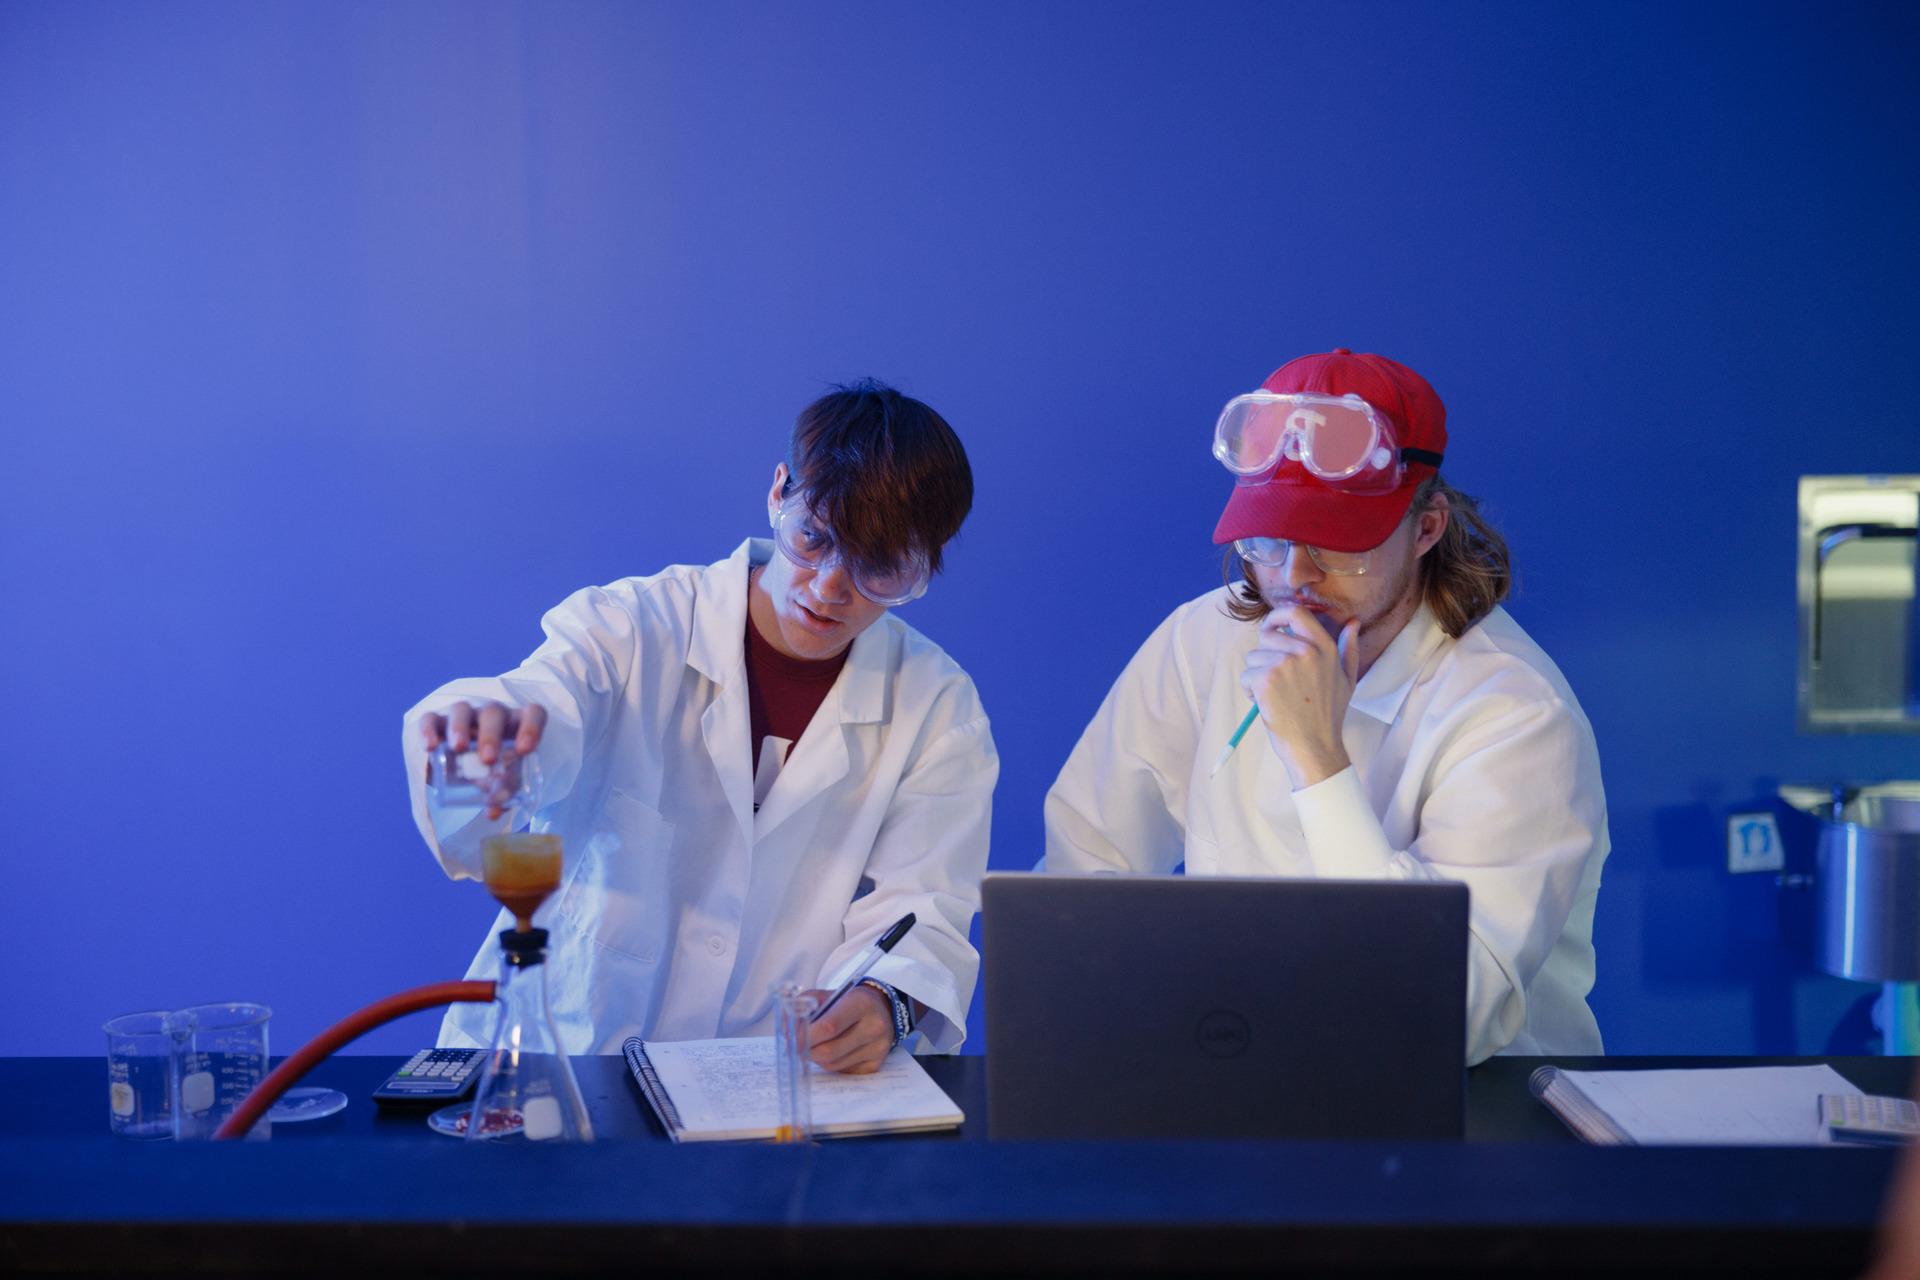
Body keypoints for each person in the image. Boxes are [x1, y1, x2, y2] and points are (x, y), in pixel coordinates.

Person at [403, 380, 996, 1073]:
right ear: (779, 492)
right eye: (814, 538)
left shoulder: (936, 705)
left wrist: (887, 1000)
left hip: (774, 1083)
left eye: (881, 569)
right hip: (562, 1061)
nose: (831, 587)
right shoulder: (629, 628)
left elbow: (925, 908)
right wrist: (489, 743)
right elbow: (542, 706)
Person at [1043, 348, 1607, 1065]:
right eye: (1270, 542)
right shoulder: (1202, 640)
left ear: (1427, 526)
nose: (1294, 578)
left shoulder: (1517, 713)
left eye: (1338, 545)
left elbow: (1439, 1018)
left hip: (1473, 1117)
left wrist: (1317, 760)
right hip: (1242, 1082)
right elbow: (1083, 869)